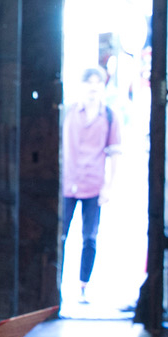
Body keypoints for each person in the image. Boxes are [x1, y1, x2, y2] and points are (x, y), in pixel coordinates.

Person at [61, 65, 122, 303]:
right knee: (61, 235)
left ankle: (83, 285)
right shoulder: (69, 111)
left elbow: (114, 152)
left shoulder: (109, 116)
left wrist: (108, 186)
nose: (93, 87)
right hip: (68, 183)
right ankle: (56, 286)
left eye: (98, 82)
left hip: (93, 184)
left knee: (90, 237)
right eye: (89, 82)